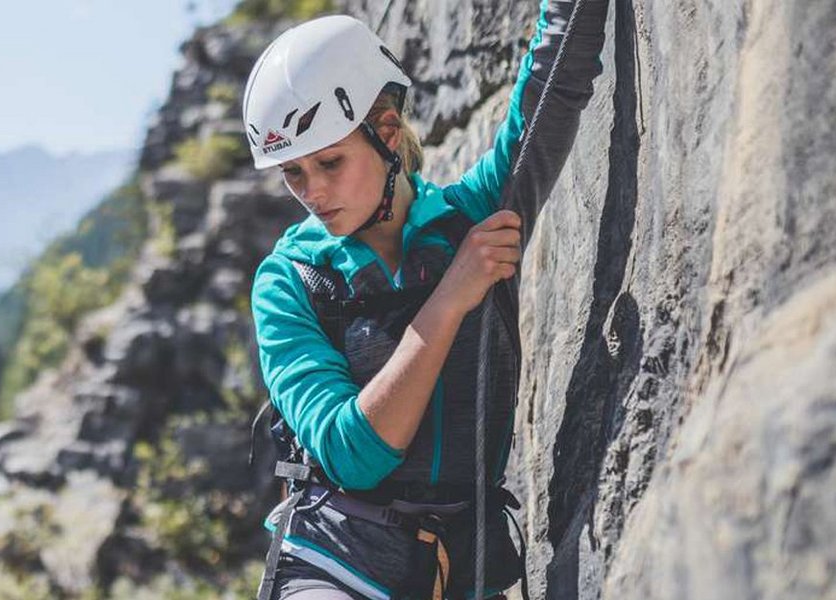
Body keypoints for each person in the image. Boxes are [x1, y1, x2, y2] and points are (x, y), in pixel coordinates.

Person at [243, 0, 611, 598]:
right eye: (293, 172)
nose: (311, 192)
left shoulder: (471, 219)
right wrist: (450, 297)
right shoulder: (288, 282)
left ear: (386, 132)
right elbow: (352, 455)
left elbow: (554, 87)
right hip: (333, 567)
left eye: (329, 162)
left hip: (465, 569)